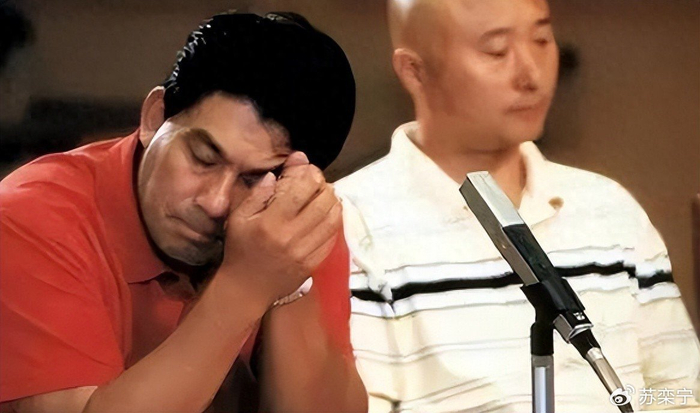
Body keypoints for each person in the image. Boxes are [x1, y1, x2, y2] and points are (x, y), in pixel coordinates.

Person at [335, 0, 700, 411]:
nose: (532, 75)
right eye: (496, 51)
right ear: (414, 71)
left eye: (541, 39)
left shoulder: (610, 207)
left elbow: (680, 392)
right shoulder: (351, 219)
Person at [0, 11, 367, 413]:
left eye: (252, 179)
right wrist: (245, 287)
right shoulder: (30, 217)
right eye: (203, 158)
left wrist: (287, 282)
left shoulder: (289, 220)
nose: (215, 201)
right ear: (154, 117)